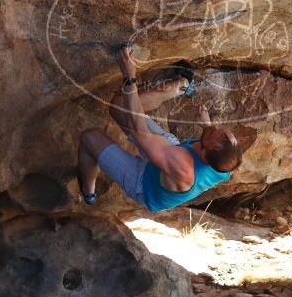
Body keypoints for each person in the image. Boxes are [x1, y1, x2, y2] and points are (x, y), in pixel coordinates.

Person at [77, 44, 242, 212]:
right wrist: (207, 127)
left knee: (90, 138)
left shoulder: (183, 166)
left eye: (213, 133)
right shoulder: (226, 161)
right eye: (221, 132)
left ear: (205, 155)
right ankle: (182, 86)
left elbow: (138, 129)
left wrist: (129, 76)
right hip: (171, 150)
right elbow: (229, 169)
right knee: (119, 105)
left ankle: (88, 190)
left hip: (144, 184)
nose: (215, 128)